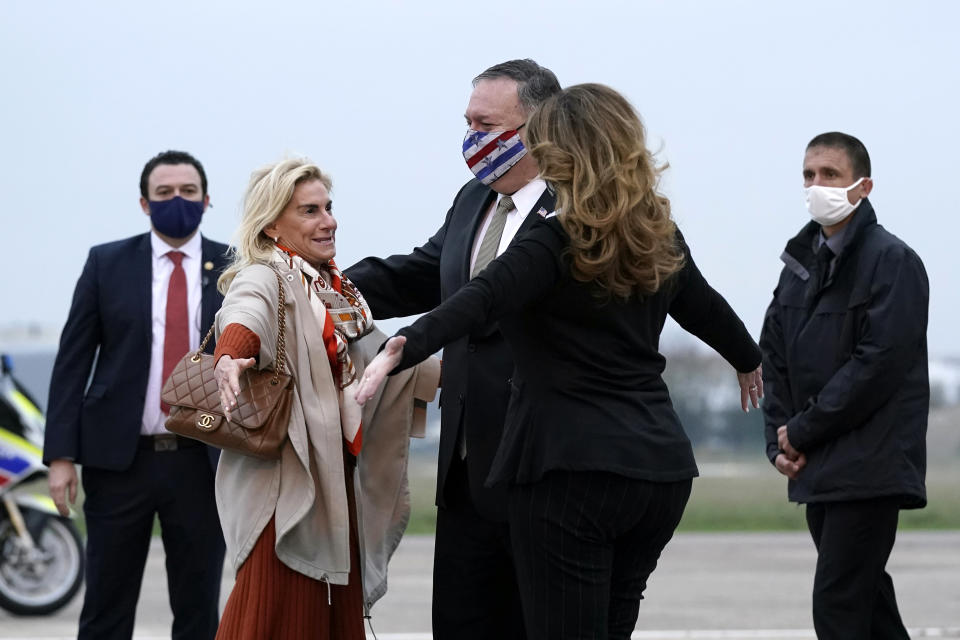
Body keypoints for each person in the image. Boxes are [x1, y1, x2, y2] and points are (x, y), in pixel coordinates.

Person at [355, 83, 764, 640]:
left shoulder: (555, 236)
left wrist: (403, 348)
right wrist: (748, 359)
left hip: (568, 469)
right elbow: (706, 308)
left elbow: (482, 298)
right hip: (658, 469)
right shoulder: (652, 230)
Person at [345, 58, 561, 640]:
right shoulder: (474, 200)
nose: (471, 137)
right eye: (467, 122)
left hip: (545, 464)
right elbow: (422, 273)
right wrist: (331, 287)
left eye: (486, 124)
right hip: (466, 468)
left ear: (539, 128)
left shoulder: (577, 211)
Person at [210, 158, 440, 639]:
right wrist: (231, 353)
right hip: (288, 489)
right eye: (309, 211)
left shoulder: (336, 291)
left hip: (334, 484)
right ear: (273, 223)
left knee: (328, 619)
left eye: (328, 208)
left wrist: (467, 373)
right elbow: (246, 310)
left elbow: (384, 361)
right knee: (273, 616)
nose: (328, 221)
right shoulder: (268, 274)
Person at [44, 150, 228, 639]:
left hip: (202, 462)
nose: (177, 201)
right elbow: (72, 363)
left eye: (188, 192)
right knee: (106, 606)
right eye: (164, 193)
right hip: (118, 462)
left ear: (207, 200)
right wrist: (60, 455)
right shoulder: (107, 263)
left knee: (198, 608)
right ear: (145, 204)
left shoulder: (235, 267)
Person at [759, 132, 928, 639]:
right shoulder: (799, 263)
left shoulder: (892, 261)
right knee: (866, 600)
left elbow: (877, 364)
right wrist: (778, 441)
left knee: (838, 604)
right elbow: (775, 354)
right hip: (818, 465)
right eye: (809, 176)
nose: (817, 186)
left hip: (869, 464)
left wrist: (801, 430)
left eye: (830, 175)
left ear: (862, 186)